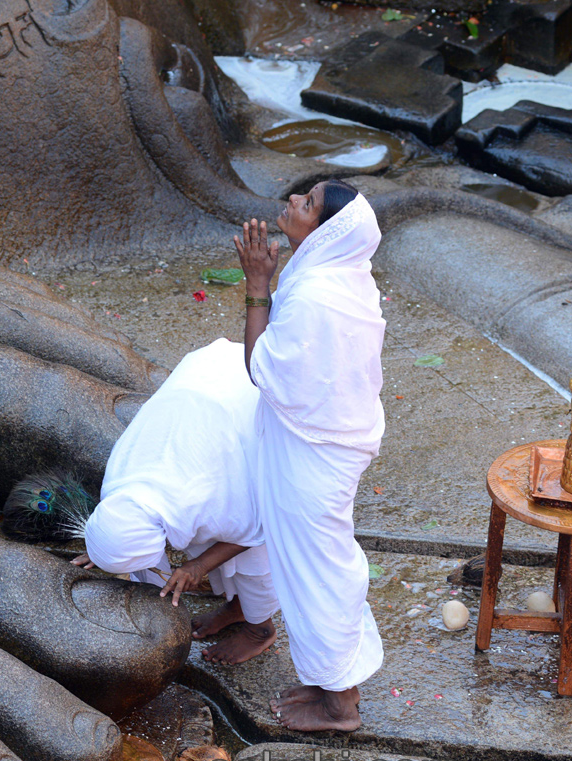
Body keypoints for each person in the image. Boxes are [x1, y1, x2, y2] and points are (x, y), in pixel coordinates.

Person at [235, 179, 386, 732]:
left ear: (325, 231)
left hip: (317, 454)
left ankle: (341, 706)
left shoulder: (320, 294)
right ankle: (327, 681)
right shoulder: (340, 277)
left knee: (317, 573)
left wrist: (256, 284)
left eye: (309, 203)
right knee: (312, 568)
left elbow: (260, 366)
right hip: (326, 443)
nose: (296, 200)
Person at [71, 338, 280, 665]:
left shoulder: (206, 494)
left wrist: (197, 567)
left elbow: (255, 532)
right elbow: (122, 524)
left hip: (241, 391)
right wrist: (105, 546)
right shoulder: (118, 487)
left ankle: (260, 629)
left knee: (254, 561)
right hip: (200, 390)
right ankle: (238, 606)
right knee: (204, 536)